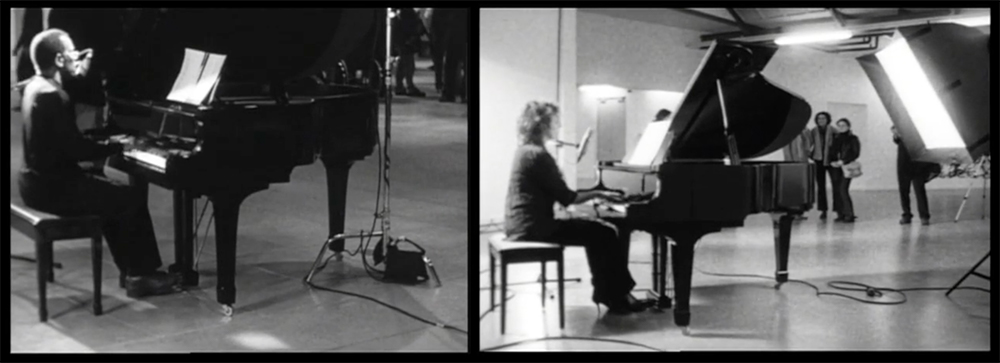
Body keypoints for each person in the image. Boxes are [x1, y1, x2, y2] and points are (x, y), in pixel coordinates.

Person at [17, 29, 180, 298]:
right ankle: (142, 275)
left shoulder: (36, 86)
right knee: (130, 198)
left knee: (111, 195)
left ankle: (130, 270)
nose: (78, 60)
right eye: (74, 55)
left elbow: (62, 142)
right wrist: (121, 144)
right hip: (52, 188)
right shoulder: (52, 95)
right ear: (59, 60)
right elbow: (76, 149)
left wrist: (105, 142)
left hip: (35, 182)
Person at [505, 101, 645, 314]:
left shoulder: (525, 151)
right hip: (534, 227)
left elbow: (558, 194)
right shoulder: (538, 155)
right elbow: (568, 198)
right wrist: (599, 193)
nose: (558, 127)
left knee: (597, 232)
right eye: (555, 123)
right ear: (542, 125)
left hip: (521, 223)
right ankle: (615, 297)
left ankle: (610, 294)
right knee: (604, 232)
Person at [893, 126, 935, 225]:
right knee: (904, 190)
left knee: (919, 190)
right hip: (904, 163)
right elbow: (897, 140)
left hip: (918, 164)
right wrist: (896, 135)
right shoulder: (901, 124)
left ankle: (924, 216)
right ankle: (907, 214)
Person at [828, 118, 861, 223]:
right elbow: (831, 151)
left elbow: (855, 153)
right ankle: (840, 214)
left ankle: (849, 214)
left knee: (843, 189)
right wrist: (832, 162)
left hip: (847, 166)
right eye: (839, 125)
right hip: (836, 167)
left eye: (843, 125)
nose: (841, 127)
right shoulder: (836, 138)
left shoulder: (853, 138)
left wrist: (843, 161)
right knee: (837, 190)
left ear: (848, 126)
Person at [807, 112, 836, 220]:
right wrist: (811, 155)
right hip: (819, 160)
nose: (821, 120)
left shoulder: (833, 130)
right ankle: (823, 210)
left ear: (828, 119)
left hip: (831, 160)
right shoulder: (814, 131)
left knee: (836, 185)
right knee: (821, 186)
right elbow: (808, 143)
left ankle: (838, 210)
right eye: (819, 118)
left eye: (823, 118)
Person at [392, 8, 426, 97]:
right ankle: (409, 86)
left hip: (401, 36)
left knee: (403, 62)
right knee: (408, 63)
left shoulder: (400, 13)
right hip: (406, 36)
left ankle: (399, 85)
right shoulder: (407, 12)